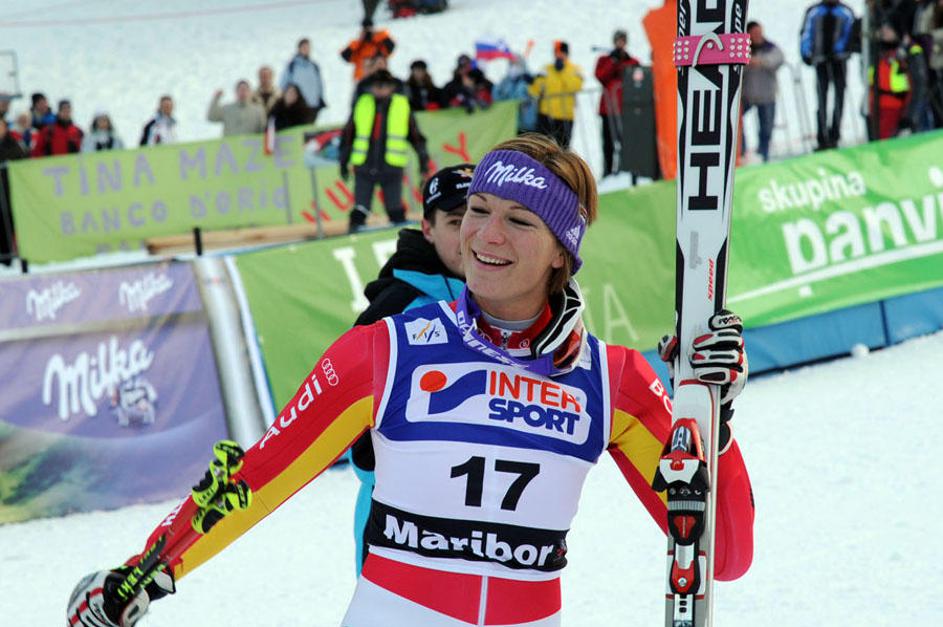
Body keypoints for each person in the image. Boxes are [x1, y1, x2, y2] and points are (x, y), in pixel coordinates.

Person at [66, 134, 754, 627]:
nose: (486, 235)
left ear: (561, 253)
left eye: (519, 220)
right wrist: (145, 572)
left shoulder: (612, 378)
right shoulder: (385, 351)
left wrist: (711, 419)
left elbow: (721, 556)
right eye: (477, 210)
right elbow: (255, 478)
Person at [348, 162, 473, 574]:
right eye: (455, 221)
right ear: (427, 229)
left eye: (479, 215)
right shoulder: (395, 310)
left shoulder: (508, 303)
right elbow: (347, 413)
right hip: (398, 518)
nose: (470, 232)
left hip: (488, 520)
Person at [338, 69, 430, 233]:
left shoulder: (402, 105)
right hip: (364, 167)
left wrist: (423, 163)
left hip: (391, 168)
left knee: (395, 211)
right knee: (360, 210)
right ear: (371, 87)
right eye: (377, 85)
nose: (381, 89)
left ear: (392, 87)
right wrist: (343, 161)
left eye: (385, 85)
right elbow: (348, 135)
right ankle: (353, 238)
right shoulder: (362, 103)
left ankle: (401, 243)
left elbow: (416, 137)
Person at [800, 0, 857, 149]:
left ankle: (835, 135)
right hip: (821, 61)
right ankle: (822, 137)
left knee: (839, 97)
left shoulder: (845, 11)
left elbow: (851, 34)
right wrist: (806, 54)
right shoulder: (814, 11)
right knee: (821, 99)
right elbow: (805, 34)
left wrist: (841, 50)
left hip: (839, 61)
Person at [594, 29, 640, 176]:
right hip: (608, 109)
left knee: (627, 142)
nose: (620, 43)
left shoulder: (632, 61)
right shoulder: (604, 60)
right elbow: (601, 76)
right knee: (608, 143)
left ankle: (626, 171)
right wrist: (612, 62)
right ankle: (608, 172)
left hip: (626, 109)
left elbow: (637, 78)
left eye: (622, 40)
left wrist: (623, 63)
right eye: (618, 40)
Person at [742, 21, 784, 161]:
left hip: (766, 95)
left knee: (766, 127)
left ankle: (763, 154)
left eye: (759, 32)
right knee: (736, 122)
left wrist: (760, 61)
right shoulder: (743, 49)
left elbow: (778, 59)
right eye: (754, 33)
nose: (757, 36)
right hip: (747, 95)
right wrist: (748, 62)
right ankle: (742, 152)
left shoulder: (770, 47)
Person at [529, 40, 584, 148]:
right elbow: (535, 90)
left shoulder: (575, 69)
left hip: (565, 116)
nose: (558, 55)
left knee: (562, 149)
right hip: (546, 115)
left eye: (561, 53)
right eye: (556, 52)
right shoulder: (546, 69)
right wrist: (531, 82)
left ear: (566, 53)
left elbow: (576, 86)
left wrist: (562, 71)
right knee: (542, 147)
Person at [870, 23, 911, 138]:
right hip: (877, 103)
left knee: (887, 138)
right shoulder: (878, 52)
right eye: (883, 29)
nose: (884, 32)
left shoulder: (902, 53)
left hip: (894, 104)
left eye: (888, 29)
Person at [0, 117, 28, 266]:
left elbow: (23, 163)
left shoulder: (13, 144)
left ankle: (14, 256)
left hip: (11, 192)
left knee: (12, 224)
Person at [281, 38, 327, 124]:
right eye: (304, 47)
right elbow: (283, 84)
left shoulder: (314, 66)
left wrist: (320, 99)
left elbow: (319, 84)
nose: (306, 50)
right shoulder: (292, 65)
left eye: (308, 47)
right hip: (297, 106)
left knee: (310, 127)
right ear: (299, 48)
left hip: (312, 105)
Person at [493, 55, 539, 134]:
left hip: (527, 124)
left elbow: (536, 94)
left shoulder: (529, 79)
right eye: (512, 64)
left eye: (516, 64)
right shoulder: (505, 81)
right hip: (509, 123)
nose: (514, 67)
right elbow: (496, 96)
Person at [341, 17, 396, 81]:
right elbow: (345, 55)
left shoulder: (380, 43)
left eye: (369, 28)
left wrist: (375, 36)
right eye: (365, 29)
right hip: (362, 79)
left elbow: (391, 45)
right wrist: (360, 40)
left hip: (379, 78)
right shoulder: (358, 45)